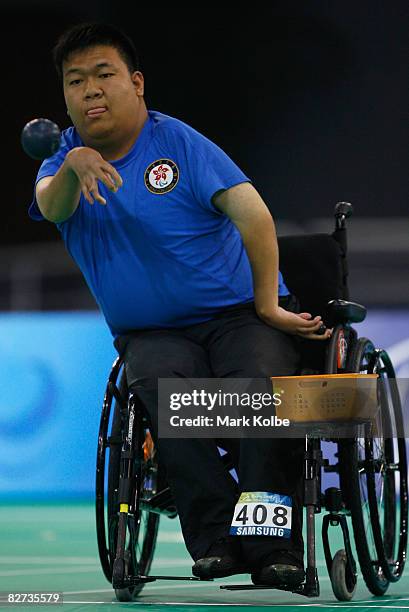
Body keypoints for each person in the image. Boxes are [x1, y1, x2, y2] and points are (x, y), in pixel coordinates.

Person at [28, 22, 331, 587]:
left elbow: (255, 216)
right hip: (151, 334)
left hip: (236, 317)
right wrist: (73, 166)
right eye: (75, 81)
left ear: (136, 83)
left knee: (260, 386)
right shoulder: (62, 159)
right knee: (171, 395)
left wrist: (267, 304)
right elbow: (52, 207)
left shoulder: (179, 144)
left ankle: (269, 543)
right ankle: (218, 539)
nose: (90, 90)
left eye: (103, 75)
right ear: (65, 96)